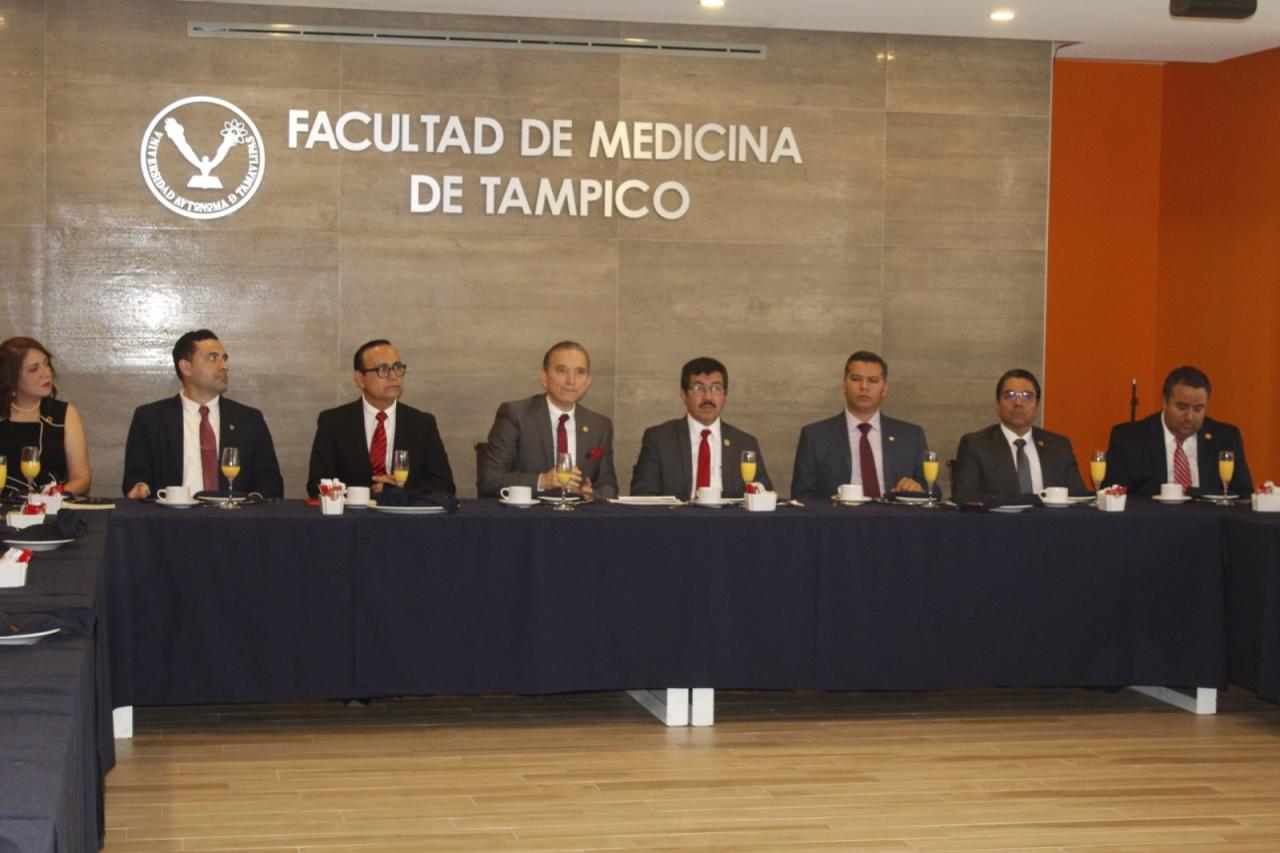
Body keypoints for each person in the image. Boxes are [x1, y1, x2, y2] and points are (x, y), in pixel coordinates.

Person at [122, 329, 283, 499]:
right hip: (172, 514)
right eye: (213, 358)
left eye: (224, 358)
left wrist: (251, 503)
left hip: (234, 514)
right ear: (186, 367)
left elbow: (270, 482)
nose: (224, 366)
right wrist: (140, 487)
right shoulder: (150, 418)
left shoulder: (249, 420)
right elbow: (136, 476)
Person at [306, 339, 455, 498]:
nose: (393, 376)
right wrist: (368, 494)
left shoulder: (422, 424)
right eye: (383, 369)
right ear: (360, 379)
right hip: (352, 512)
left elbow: (444, 487)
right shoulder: (334, 422)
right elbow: (317, 484)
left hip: (404, 513)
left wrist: (398, 492)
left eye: (397, 368)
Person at [476, 341, 618, 499]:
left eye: (580, 372)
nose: (571, 380)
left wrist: (590, 494)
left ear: (588, 382)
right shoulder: (516, 415)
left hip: (579, 512)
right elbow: (489, 480)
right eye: (562, 370)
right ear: (544, 378)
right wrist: (542, 481)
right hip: (528, 512)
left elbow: (609, 487)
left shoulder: (600, 425)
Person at [791, 350, 930, 500]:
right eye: (856, 379)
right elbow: (801, 495)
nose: (864, 386)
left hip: (895, 513)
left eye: (873, 380)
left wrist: (917, 489)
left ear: (884, 389)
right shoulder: (815, 436)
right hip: (837, 513)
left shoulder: (911, 435)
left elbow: (932, 489)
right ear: (844, 386)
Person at [631, 357, 772, 499]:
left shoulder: (745, 443)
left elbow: (764, 496)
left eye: (716, 388)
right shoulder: (659, 439)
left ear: (725, 395)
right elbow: (643, 496)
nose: (708, 397)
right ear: (683, 395)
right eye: (698, 388)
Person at [1105, 365, 1252, 496]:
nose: (1189, 417)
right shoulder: (1129, 439)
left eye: (1198, 409)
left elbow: (1244, 495)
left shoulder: (1226, 438)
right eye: (1182, 407)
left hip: (1210, 518)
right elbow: (1113, 495)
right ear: (1164, 402)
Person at [951, 369, 1086, 503]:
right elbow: (965, 497)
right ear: (998, 406)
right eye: (1010, 395)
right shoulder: (976, 445)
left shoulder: (1059, 446)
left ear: (1036, 408)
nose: (1018, 403)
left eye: (1027, 396)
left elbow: (1078, 497)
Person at [0, 337, 92, 496]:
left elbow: (82, 479)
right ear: (11, 377)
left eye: (46, 364)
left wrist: (51, 496)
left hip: (51, 507)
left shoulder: (65, 414)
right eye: (34, 369)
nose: (46, 373)